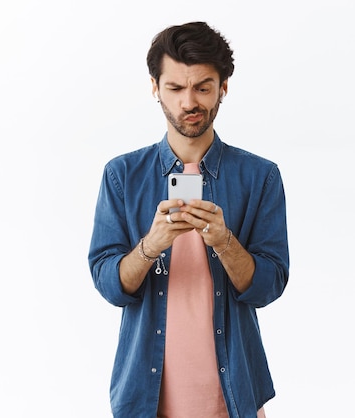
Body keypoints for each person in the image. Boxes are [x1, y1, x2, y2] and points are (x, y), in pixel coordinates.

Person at [87, 22, 289, 418]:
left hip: (235, 398)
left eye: (202, 87)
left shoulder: (260, 176)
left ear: (223, 88)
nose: (189, 102)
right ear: (155, 87)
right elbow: (109, 285)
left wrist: (225, 243)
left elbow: (270, 286)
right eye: (176, 88)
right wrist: (151, 245)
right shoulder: (122, 175)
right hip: (145, 399)